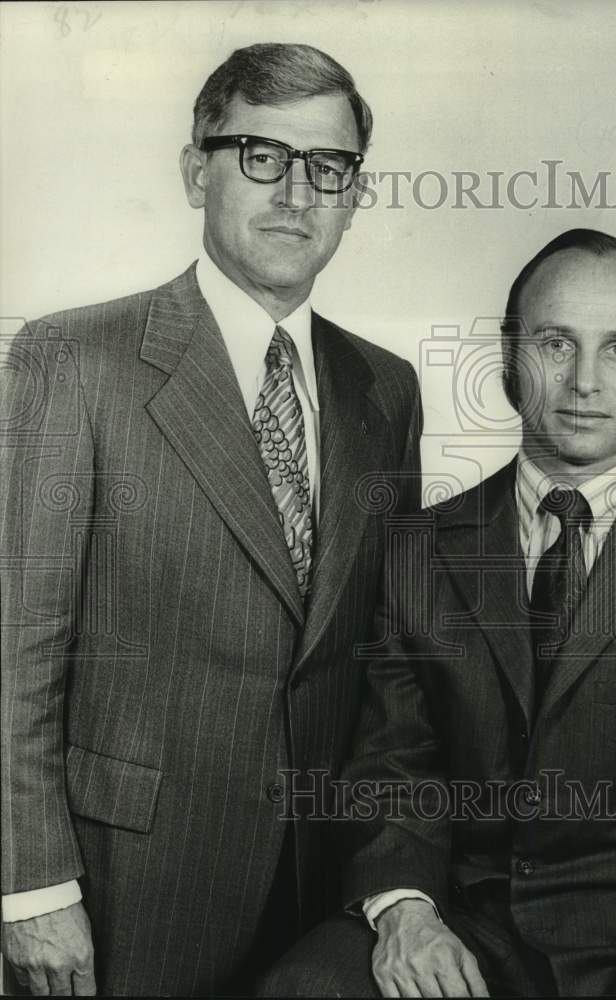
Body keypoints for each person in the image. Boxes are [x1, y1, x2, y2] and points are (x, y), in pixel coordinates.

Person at [259, 228, 616, 997]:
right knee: (303, 987)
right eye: (555, 344)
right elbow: (393, 766)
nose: (583, 382)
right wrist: (405, 911)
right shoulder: (420, 547)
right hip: (460, 930)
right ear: (510, 355)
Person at [0, 43, 421, 997]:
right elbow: (12, 643)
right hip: (126, 886)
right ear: (198, 172)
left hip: (320, 895)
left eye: (329, 167)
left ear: (355, 192)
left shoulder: (384, 391)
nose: (297, 193)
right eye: (261, 156)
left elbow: (381, 655)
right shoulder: (74, 358)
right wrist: (27, 887)